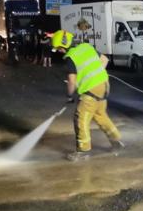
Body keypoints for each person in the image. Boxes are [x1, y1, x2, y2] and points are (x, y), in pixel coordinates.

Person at [50, 30, 124, 161]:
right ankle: (116, 141)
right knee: (100, 115)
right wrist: (96, 75)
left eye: (59, 49)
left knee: (80, 118)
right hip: (105, 85)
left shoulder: (71, 57)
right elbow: (104, 60)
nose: (60, 51)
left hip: (91, 90)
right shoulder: (87, 46)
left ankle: (83, 151)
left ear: (64, 46)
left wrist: (69, 96)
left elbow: (72, 81)